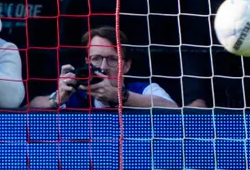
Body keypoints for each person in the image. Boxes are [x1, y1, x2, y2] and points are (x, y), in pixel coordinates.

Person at [28, 25, 180, 108]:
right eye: (96, 59)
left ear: (126, 66)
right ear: (87, 62)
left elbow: (173, 110)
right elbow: (30, 106)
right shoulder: (76, 95)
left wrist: (120, 96)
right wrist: (56, 100)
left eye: (112, 59)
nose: (103, 66)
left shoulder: (146, 90)